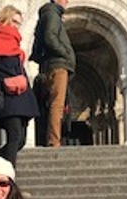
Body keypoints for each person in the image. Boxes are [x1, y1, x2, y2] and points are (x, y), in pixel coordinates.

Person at [0, 6, 38, 166]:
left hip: (22, 94)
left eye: (19, 23)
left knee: (20, 141)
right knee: (15, 137)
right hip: (6, 95)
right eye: (14, 22)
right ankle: (8, 178)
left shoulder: (14, 41)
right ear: (5, 18)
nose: (17, 26)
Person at [31, 0, 75, 147]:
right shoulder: (52, 13)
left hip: (50, 64)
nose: (67, 2)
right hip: (58, 65)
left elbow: (39, 43)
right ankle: (54, 141)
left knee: (51, 104)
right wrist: (66, 54)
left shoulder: (46, 14)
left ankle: (51, 139)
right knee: (57, 104)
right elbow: (50, 37)